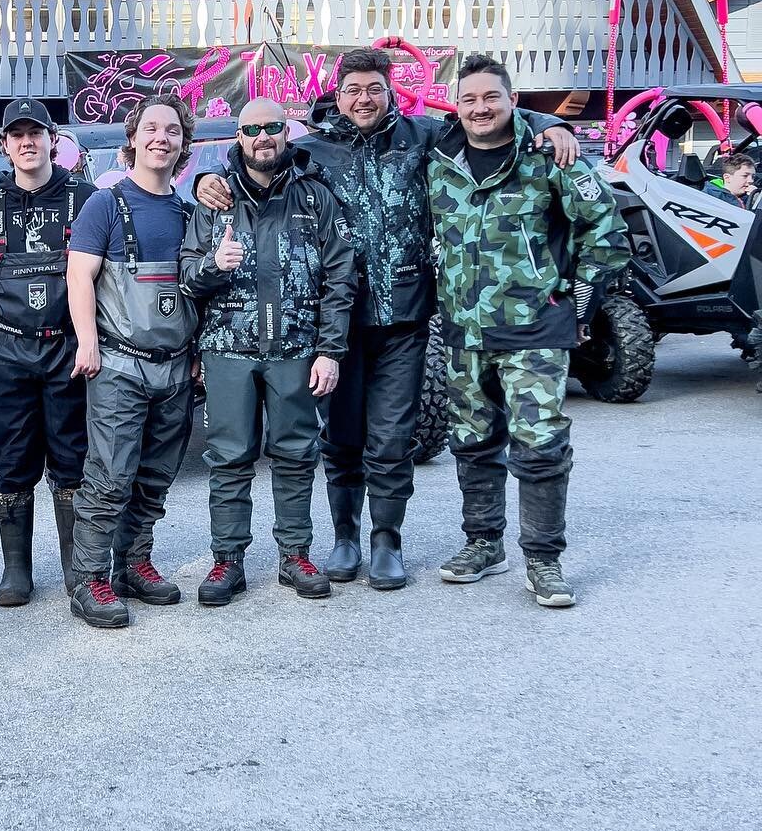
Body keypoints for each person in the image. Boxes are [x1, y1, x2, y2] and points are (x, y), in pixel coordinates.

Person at [196, 47, 575, 589]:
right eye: (353, 89)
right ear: (338, 93)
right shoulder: (311, 151)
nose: (363, 98)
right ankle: (345, 537)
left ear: (389, 90)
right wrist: (212, 181)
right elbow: (255, 162)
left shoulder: (421, 137)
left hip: (404, 316)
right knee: (341, 436)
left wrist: (548, 121)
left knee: (393, 437)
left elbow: (482, 119)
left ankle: (385, 540)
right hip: (336, 321)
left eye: (374, 87)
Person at [428, 55, 629, 609]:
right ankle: (483, 544)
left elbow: (607, 233)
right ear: (457, 105)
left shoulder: (550, 157)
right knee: (472, 443)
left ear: (513, 100)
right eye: (468, 99)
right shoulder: (439, 159)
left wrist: (579, 301)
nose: (479, 108)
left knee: (540, 446)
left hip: (535, 331)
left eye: (491, 97)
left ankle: (543, 558)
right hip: (463, 334)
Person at [181, 98, 355, 605]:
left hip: (296, 348)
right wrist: (215, 265)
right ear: (238, 137)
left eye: (272, 127)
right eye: (251, 128)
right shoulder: (212, 198)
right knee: (229, 459)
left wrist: (330, 350)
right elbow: (187, 276)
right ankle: (227, 560)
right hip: (228, 349)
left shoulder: (314, 195)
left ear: (286, 132)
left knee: (297, 454)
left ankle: (295, 554)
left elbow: (340, 277)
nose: (262, 137)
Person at [66, 94, 198, 630]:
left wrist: (197, 356)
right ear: (134, 139)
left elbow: (200, 289)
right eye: (151, 129)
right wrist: (86, 341)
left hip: (175, 365)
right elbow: (79, 276)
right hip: (119, 362)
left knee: (155, 476)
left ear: (183, 144)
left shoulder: (189, 212)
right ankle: (90, 579)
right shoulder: (105, 204)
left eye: (171, 130)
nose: (161, 138)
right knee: (109, 475)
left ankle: (134, 562)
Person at [0, 97, 97, 606]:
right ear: (4, 146)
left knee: (71, 457)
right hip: (8, 350)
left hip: (65, 346)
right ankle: (16, 571)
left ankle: (76, 566)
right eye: (17, 135)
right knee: (11, 457)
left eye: (37, 133)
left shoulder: (87, 199)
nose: (28, 142)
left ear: (53, 139)